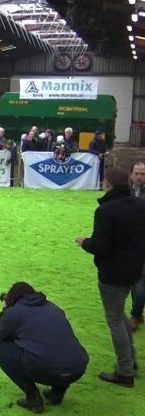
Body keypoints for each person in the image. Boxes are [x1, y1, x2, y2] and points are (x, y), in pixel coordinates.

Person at [77, 166, 145, 388]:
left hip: (113, 273)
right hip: (133, 269)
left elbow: (100, 246)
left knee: (114, 320)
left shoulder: (106, 211)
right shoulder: (139, 204)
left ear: (108, 184)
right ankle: (131, 362)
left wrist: (85, 242)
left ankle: (125, 371)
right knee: (119, 315)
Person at [0, 281, 88, 412]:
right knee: (60, 350)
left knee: (2, 351)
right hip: (77, 368)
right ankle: (57, 393)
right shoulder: (53, 307)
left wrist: (6, 311)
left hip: (46, 370)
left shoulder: (13, 312)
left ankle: (33, 398)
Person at [130, 161, 145, 331]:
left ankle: (135, 315)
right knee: (135, 281)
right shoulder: (125, 191)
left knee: (140, 281)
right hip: (129, 244)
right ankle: (138, 313)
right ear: (131, 174)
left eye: (143, 174)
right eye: (137, 173)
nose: (140, 177)